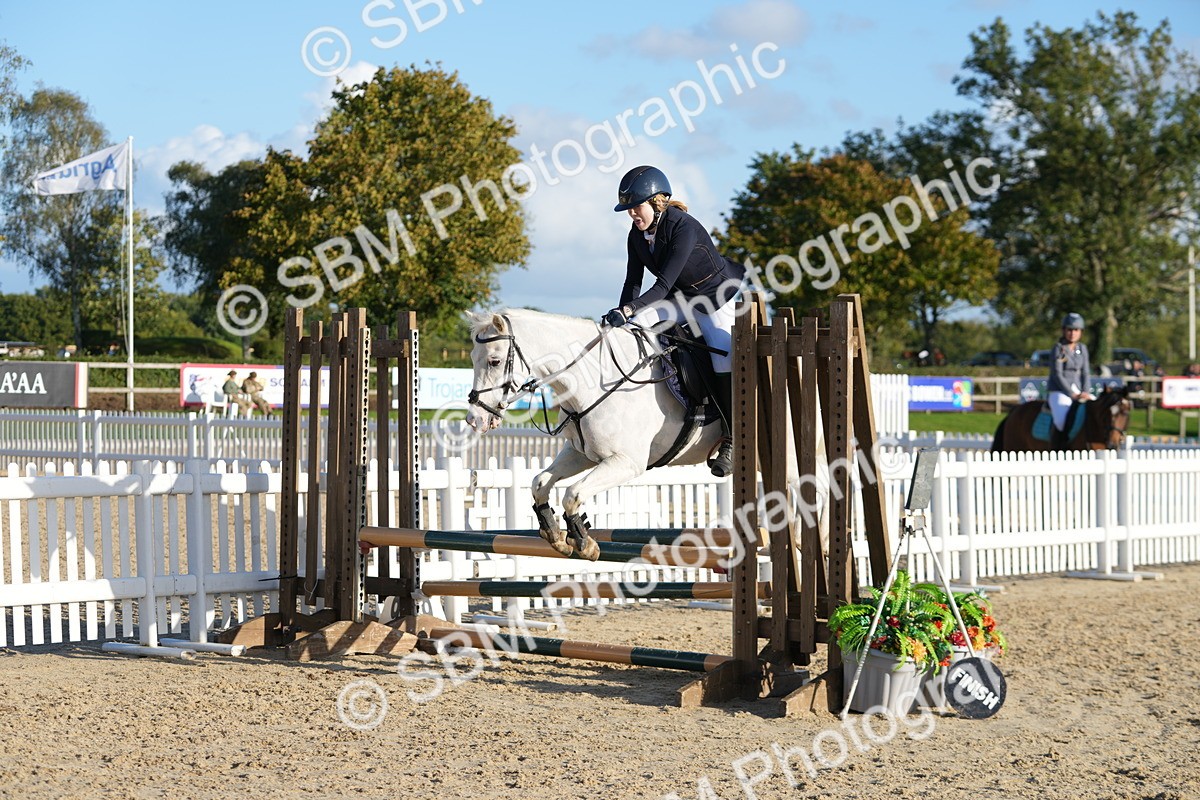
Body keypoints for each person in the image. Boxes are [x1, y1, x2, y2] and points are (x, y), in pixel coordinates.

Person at [604, 165, 746, 477]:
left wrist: (629, 309)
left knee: (721, 356)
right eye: (628, 210)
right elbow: (632, 283)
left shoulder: (683, 227)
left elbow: (663, 285)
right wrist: (621, 314)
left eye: (635, 207)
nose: (632, 215)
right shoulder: (637, 236)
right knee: (633, 326)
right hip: (681, 298)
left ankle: (734, 438)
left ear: (656, 201)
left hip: (714, 297)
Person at [1047, 313, 1094, 448]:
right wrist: (1071, 393)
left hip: (1079, 390)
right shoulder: (1058, 348)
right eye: (1069, 329)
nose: (1072, 333)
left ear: (1081, 332)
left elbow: (1085, 372)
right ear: (1064, 330)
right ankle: (1059, 447)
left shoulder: (1082, 349)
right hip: (1059, 391)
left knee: (1097, 408)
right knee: (1061, 420)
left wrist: (1086, 391)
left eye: (1076, 330)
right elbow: (1057, 374)